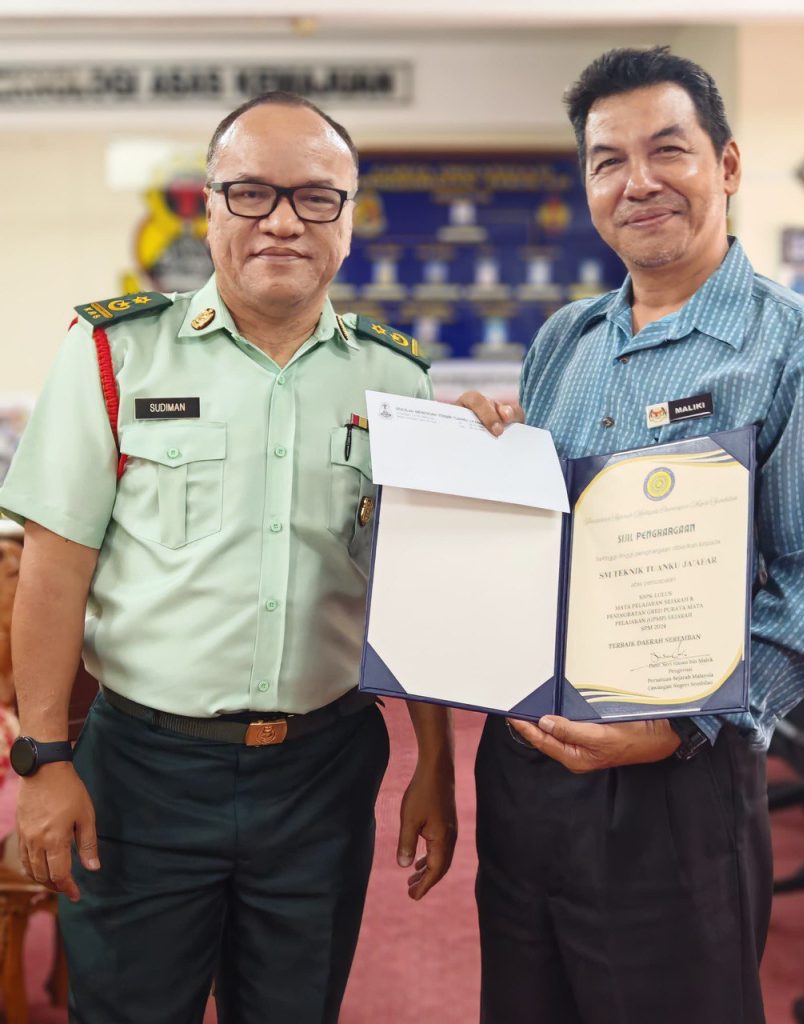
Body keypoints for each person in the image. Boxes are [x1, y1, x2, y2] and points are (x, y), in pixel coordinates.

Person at [0, 92, 457, 1024]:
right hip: (143, 772)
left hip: (322, 772)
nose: (283, 221)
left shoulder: (397, 380)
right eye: (251, 193)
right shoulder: (114, 355)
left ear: (349, 219)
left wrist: (437, 764)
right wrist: (42, 760)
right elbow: (53, 568)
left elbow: (415, 589)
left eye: (316, 197)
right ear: (208, 207)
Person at [460, 46, 804, 1024]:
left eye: (667, 150)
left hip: (678, 776)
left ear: (727, 165)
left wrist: (679, 727)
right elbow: (538, 540)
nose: (638, 182)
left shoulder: (793, 348)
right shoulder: (563, 340)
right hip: (526, 761)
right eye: (607, 160)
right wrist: (474, 473)